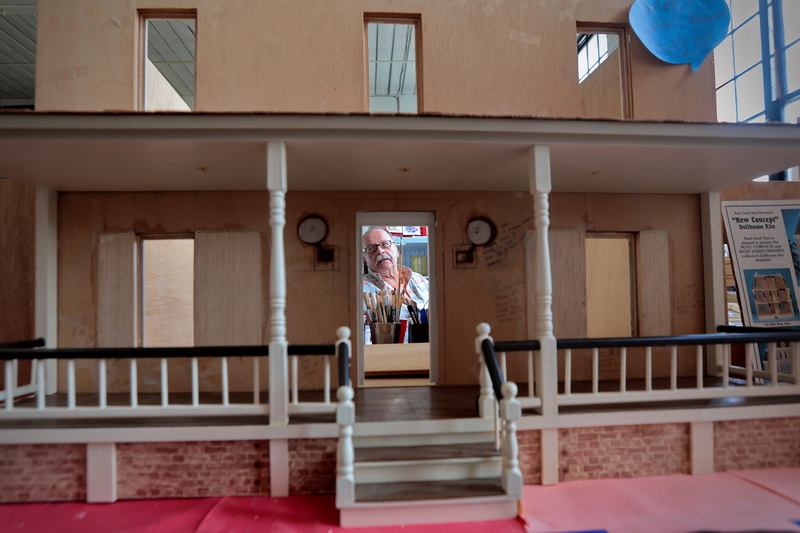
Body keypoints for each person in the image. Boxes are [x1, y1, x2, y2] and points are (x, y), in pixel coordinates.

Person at [362, 226, 429, 324]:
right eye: (371, 249)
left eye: (385, 244)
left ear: (397, 251)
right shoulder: (361, 291)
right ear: (365, 259)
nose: (380, 251)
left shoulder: (419, 279)